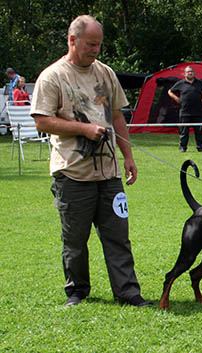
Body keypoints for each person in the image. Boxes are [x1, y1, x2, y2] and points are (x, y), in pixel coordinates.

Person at [30, 15, 152, 307]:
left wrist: (129, 156)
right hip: (72, 173)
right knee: (75, 240)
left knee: (118, 236)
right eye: (90, 44)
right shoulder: (53, 76)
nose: (96, 50)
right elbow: (42, 122)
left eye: (99, 44)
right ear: (72, 40)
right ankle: (77, 291)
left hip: (109, 173)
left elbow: (118, 115)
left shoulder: (106, 73)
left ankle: (128, 293)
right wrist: (84, 129)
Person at [168, 66, 202, 152]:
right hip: (185, 112)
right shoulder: (180, 83)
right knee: (184, 132)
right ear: (185, 74)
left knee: (199, 132)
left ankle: (201, 148)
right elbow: (170, 91)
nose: (190, 73)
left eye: (191, 71)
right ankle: (183, 147)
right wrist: (176, 99)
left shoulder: (199, 83)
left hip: (198, 112)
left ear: (194, 73)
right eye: (188, 72)